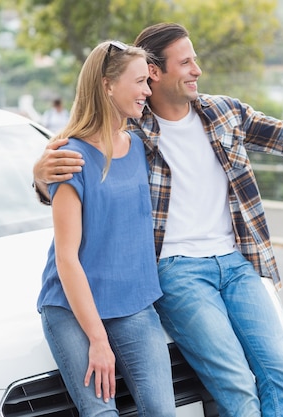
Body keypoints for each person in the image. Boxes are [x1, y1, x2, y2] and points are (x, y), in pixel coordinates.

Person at [33, 23, 283, 417]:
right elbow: (82, 167)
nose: (197, 70)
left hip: (236, 263)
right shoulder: (133, 129)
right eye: (186, 62)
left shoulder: (224, 113)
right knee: (235, 383)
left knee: (281, 371)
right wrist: (42, 174)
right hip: (177, 270)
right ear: (155, 72)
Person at [36, 40, 176, 417]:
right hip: (71, 306)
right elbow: (66, 259)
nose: (148, 91)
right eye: (141, 82)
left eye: (149, 82)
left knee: (161, 412)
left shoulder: (144, 146)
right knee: (100, 413)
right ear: (107, 85)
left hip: (132, 302)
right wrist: (97, 339)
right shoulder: (70, 158)